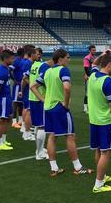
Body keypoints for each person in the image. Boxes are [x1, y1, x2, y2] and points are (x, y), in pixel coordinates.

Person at [31, 49, 92, 177]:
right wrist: (65, 103)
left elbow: (33, 87)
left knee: (52, 137)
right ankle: (77, 167)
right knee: (70, 136)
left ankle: (54, 168)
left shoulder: (48, 71)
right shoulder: (63, 70)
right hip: (59, 108)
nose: (69, 60)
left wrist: (44, 100)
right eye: (67, 57)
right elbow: (66, 87)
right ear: (60, 59)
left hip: (48, 108)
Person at [88, 54, 111, 194]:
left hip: (94, 120)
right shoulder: (108, 81)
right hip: (106, 121)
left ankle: (101, 176)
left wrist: (104, 55)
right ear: (109, 65)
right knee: (106, 152)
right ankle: (98, 185)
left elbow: (94, 64)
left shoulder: (93, 75)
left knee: (98, 149)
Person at [28, 48, 50, 160]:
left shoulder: (34, 65)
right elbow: (45, 81)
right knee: (42, 126)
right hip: (40, 97)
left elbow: (26, 78)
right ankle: (40, 153)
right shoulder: (43, 66)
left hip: (32, 97)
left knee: (38, 125)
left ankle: (39, 149)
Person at [20, 45, 36, 141]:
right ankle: (27, 132)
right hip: (29, 90)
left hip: (27, 89)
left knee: (26, 108)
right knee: (29, 110)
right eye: (36, 54)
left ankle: (24, 128)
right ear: (31, 54)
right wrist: (33, 87)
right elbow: (24, 79)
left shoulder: (26, 62)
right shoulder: (28, 64)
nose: (37, 56)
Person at [10, 48, 25, 129]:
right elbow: (10, 70)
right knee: (15, 103)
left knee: (20, 103)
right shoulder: (16, 61)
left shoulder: (22, 60)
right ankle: (14, 121)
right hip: (17, 85)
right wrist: (14, 79)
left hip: (22, 84)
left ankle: (20, 120)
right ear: (22, 53)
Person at [83, 45, 98, 114]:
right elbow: (86, 68)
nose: (94, 51)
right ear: (90, 50)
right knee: (87, 93)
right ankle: (85, 108)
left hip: (94, 77)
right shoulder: (87, 58)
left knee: (94, 92)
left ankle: (92, 107)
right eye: (93, 50)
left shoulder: (95, 58)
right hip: (89, 77)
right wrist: (88, 76)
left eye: (95, 50)